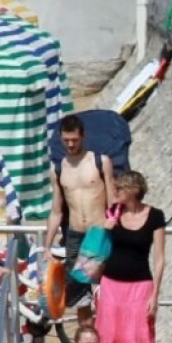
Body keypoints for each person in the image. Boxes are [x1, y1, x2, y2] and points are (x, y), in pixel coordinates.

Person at [93, 170, 164, 343]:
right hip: (111, 284)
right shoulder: (113, 213)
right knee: (112, 338)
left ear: (133, 190)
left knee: (138, 339)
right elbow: (98, 250)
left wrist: (155, 295)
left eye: (120, 189)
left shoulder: (155, 216)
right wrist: (106, 229)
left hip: (140, 285)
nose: (116, 193)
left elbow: (160, 259)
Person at [46, 115, 116, 325]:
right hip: (75, 235)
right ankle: (88, 338)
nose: (70, 144)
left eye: (74, 140)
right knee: (79, 297)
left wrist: (115, 227)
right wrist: (47, 245)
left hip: (99, 233)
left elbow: (113, 200)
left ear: (83, 136)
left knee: (104, 290)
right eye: (66, 140)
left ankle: (106, 337)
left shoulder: (100, 162)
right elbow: (56, 211)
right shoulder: (57, 170)